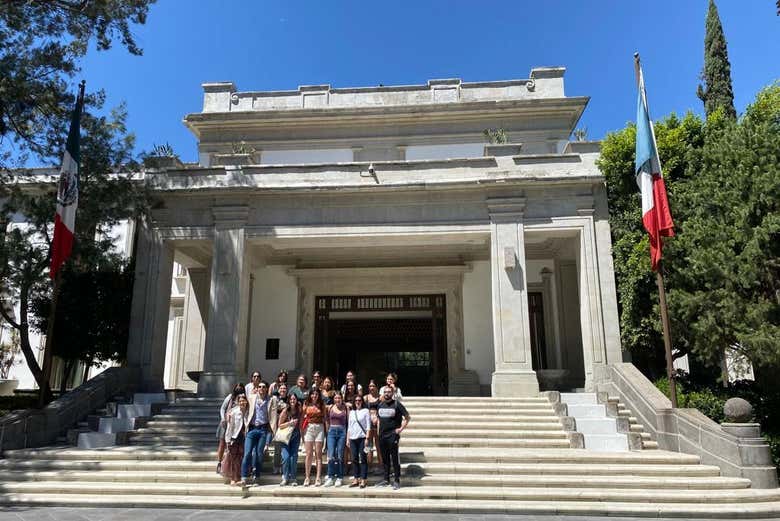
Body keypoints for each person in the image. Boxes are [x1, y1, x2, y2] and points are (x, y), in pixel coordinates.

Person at [375, 382, 410, 490]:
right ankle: (386, 479)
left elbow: (408, 417)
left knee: (394, 458)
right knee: (385, 458)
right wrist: (378, 431)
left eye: (389, 392)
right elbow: (378, 419)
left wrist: (400, 429)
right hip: (382, 435)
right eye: (385, 392)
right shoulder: (380, 404)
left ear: (393, 393)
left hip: (393, 435)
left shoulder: (397, 404)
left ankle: (397, 480)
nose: (387, 394)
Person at [241, 380, 272, 485]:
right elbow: (243, 408)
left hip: (263, 430)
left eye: (263, 387)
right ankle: (244, 476)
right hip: (252, 429)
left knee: (259, 454)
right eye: (260, 387)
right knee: (247, 453)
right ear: (257, 388)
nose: (261, 389)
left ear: (267, 389)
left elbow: (274, 415)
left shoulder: (271, 400)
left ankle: (256, 476)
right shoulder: (251, 398)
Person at [217, 383, 245, 474]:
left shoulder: (243, 398)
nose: (239, 389)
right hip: (226, 423)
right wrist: (223, 418)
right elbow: (222, 408)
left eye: (241, 388)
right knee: (222, 444)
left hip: (236, 426)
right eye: (237, 387)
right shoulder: (230, 397)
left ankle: (230, 466)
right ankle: (219, 463)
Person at [221, 393, 249, 485]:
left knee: (242, 458)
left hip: (245, 437)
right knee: (233, 459)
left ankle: (240, 477)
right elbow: (230, 427)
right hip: (235, 437)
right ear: (238, 402)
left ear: (246, 401)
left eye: (243, 401)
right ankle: (233, 478)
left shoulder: (249, 412)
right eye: (240, 401)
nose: (242, 402)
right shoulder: (234, 412)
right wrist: (228, 440)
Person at [301, 388, 325, 487]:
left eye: (316, 394)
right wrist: (302, 431)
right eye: (312, 394)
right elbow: (302, 417)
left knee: (318, 454)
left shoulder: (322, 404)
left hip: (319, 427)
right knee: (309, 454)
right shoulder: (306, 404)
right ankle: (307, 477)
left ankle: (318, 477)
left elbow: (325, 417)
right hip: (309, 427)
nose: (314, 396)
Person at [323, 391, 348, 487]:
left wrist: (347, 435)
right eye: (336, 398)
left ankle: (339, 476)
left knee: (340, 455)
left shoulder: (346, 408)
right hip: (332, 431)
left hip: (342, 432)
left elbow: (348, 422)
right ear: (334, 399)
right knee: (331, 454)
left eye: (339, 398)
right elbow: (326, 420)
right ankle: (330, 476)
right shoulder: (330, 407)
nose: (337, 400)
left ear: (342, 399)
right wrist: (327, 431)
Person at [347, 394, 371, 488]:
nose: (358, 402)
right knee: (354, 459)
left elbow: (368, 426)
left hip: (362, 438)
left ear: (362, 401)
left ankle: (363, 479)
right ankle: (356, 478)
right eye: (356, 400)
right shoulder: (352, 412)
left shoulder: (366, 411)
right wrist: (347, 439)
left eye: (359, 400)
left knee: (363, 459)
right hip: (353, 438)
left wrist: (367, 438)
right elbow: (349, 426)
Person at [278, 392, 302, 486]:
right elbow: (279, 425)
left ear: (296, 400)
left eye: (294, 399)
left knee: (294, 457)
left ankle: (293, 478)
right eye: (291, 399)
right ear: (288, 400)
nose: (292, 401)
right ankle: (285, 476)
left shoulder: (299, 410)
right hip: (285, 437)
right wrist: (290, 423)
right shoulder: (285, 411)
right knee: (286, 457)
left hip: (295, 436)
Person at [269, 382, 289, 475]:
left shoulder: (290, 400)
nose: (283, 390)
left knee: (285, 448)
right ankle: (276, 466)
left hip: (287, 427)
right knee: (277, 449)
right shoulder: (274, 399)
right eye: (281, 388)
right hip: (277, 427)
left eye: (284, 388)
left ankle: (284, 466)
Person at [364, 379, 383, 473]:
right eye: (370, 386)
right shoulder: (365, 398)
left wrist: (377, 417)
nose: (371, 388)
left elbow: (383, 409)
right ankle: (369, 465)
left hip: (378, 423)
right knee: (369, 445)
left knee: (378, 445)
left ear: (377, 387)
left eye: (373, 386)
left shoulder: (381, 397)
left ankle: (381, 465)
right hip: (368, 423)